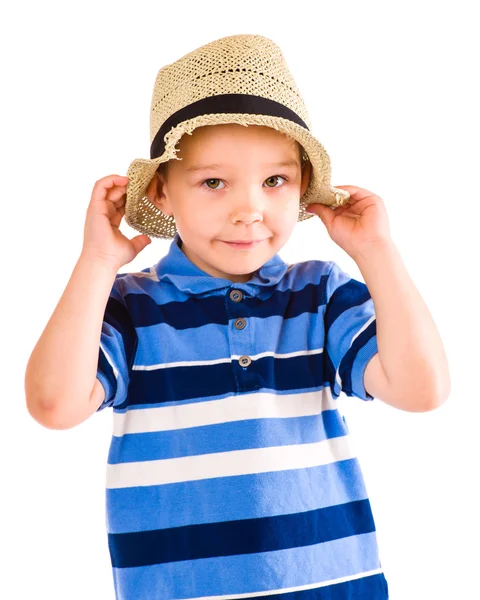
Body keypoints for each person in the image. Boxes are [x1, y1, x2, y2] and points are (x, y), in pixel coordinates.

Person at [24, 34, 450, 600]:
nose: (250, 208)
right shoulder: (131, 307)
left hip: (331, 585)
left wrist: (377, 253)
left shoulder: (318, 293)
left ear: (301, 186)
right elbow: (54, 405)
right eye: (214, 182)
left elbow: (423, 390)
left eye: (275, 181)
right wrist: (97, 261)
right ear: (162, 191)